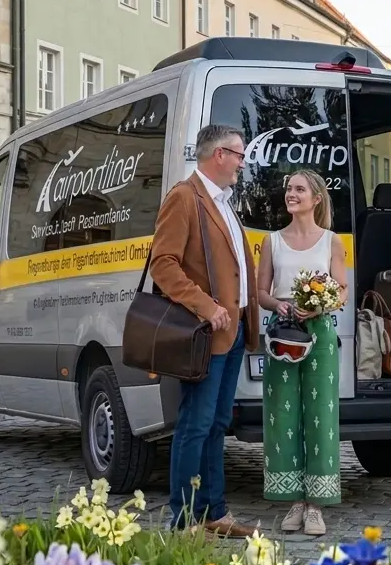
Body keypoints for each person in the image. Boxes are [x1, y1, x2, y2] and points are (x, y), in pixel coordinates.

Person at [149, 124, 260, 538]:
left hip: (231, 332)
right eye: (239, 155)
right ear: (219, 155)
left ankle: (216, 513)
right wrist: (206, 305)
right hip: (204, 332)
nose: (242, 164)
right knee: (194, 424)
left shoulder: (224, 202)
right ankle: (183, 521)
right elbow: (164, 264)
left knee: (215, 425)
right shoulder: (184, 197)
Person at [256, 170, 347, 537]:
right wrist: (277, 304)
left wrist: (322, 305)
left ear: (316, 198)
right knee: (283, 413)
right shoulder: (272, 241)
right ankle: (293, 499)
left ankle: (316, 506)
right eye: (288, 189)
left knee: (321, 413)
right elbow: (260, 292)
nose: (290, 194)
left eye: (298, 189)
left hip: (319, 330)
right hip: (283, 332)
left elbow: (342, 290)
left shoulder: (331, 241)